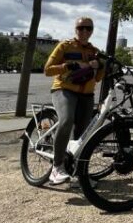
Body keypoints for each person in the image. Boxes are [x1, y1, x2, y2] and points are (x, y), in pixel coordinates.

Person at [43, 17, 104, 185]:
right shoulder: (64, 46)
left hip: (87, 94)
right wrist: (68, 65)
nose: (84, 31)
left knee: (83, 134)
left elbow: (98, 78)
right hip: (64, 89)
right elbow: (47, 70)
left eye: (88, 28)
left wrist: (100, 66)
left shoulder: (95, 51)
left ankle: (78, 173)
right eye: (81, 28)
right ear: (75, 29)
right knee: (67, 119)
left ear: (92, 30)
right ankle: (57, 167)